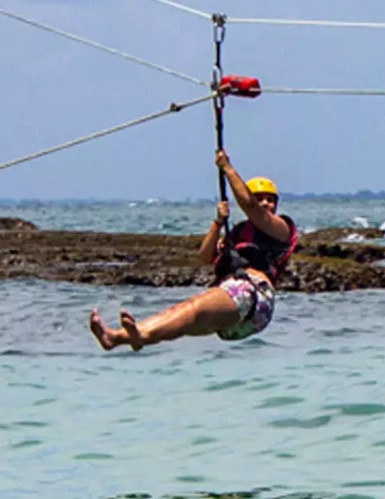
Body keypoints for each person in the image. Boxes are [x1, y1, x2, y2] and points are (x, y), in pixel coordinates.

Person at [89, 150, 298, 351]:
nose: (265, 203)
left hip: (254, 297)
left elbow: (251, 207)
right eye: (260, 197)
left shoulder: (281, 229)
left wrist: (227, 168)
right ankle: (118, 338)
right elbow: (205, 257)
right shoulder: (238, 233)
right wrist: (217, 223)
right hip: (234, 310)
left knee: (192, 309)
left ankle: (140, 336)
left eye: (270, 199)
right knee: (182, 318)